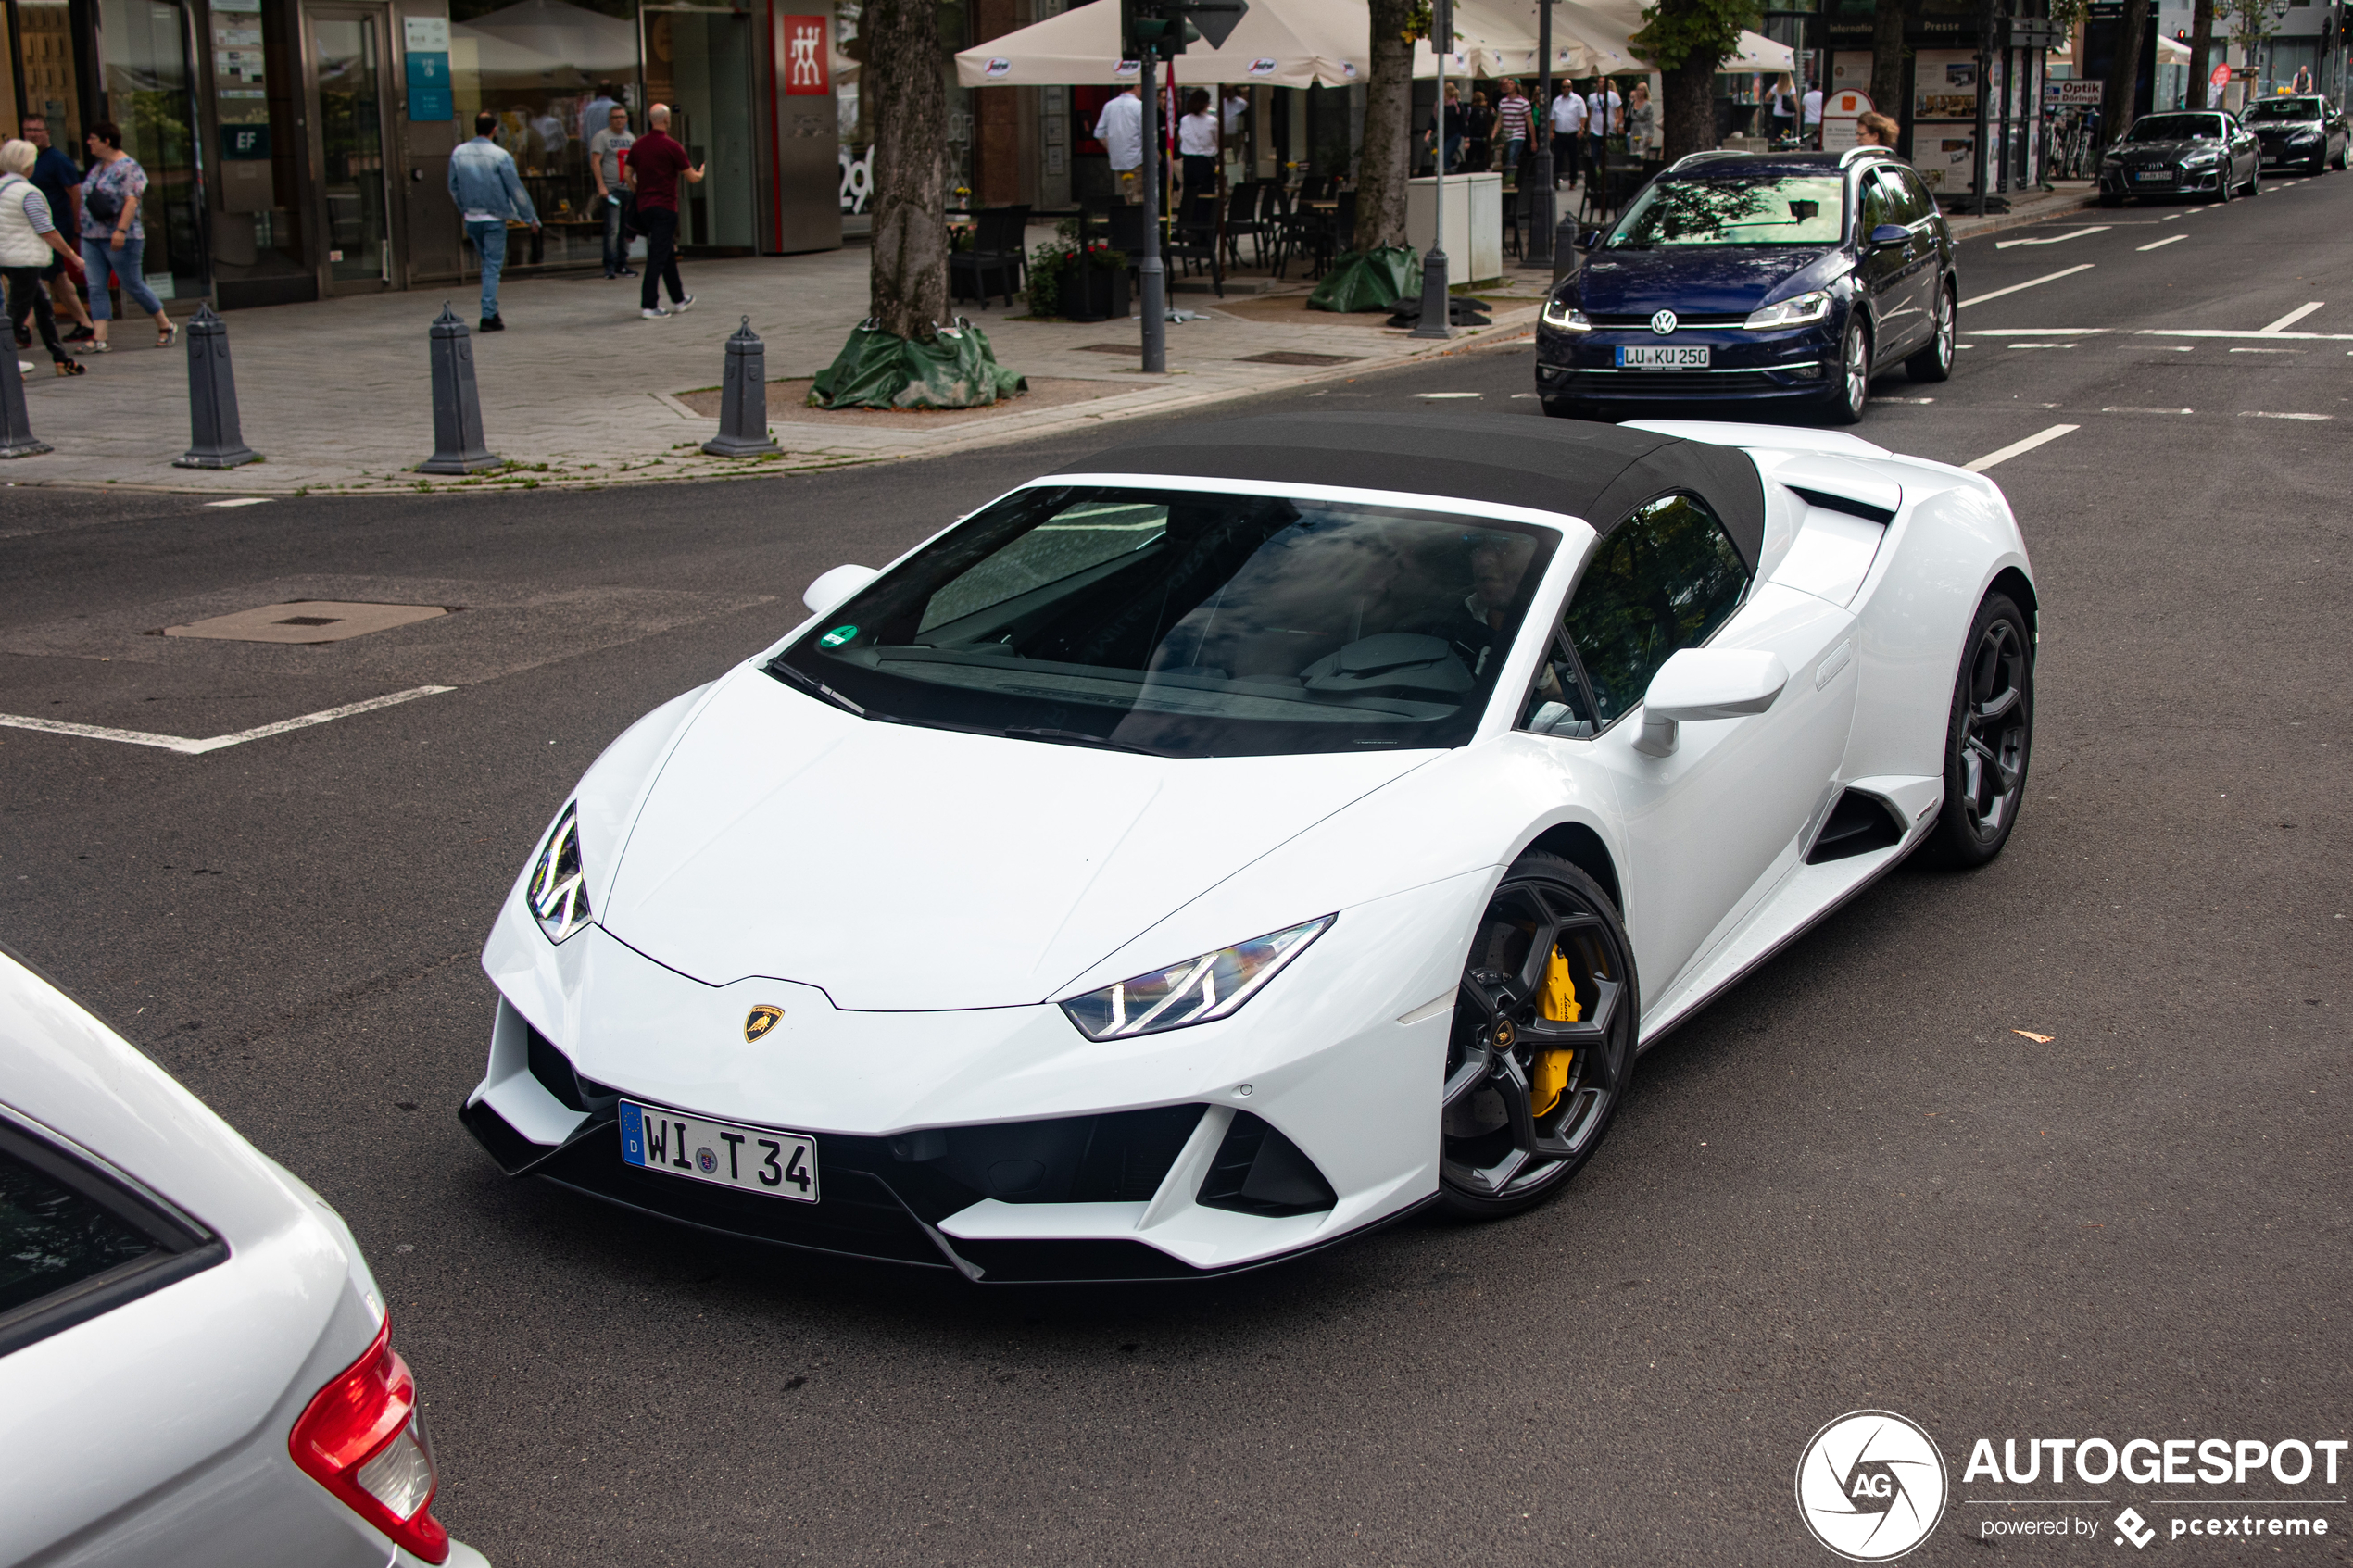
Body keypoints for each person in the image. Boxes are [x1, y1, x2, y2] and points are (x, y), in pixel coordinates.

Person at [78, 121, 176, 351]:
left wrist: (120, 231)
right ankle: (100, 337)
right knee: (95, 286)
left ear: (106, 141)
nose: (88, 143)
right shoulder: (99, 166)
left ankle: (165, 324)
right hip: (91, 235)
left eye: (92, 138)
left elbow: (132, 200)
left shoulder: (129, 167)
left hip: (122, 236)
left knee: (132, 283)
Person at [447, 111, 538, 332]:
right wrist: (530, 217)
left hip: (472, 218)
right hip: (494, 218)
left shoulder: (459, 153)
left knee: (487, 264)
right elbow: (515, 189)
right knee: (491, 267)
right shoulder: (500, 155)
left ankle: (493, 311)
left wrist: (465, 209)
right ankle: (488, 315)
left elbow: (453, 186)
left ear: (475, 127)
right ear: (495, 130)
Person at [0, 140, 86, 376]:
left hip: (7, 258)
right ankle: (6, 364)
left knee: (44, 308)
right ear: (28, 164)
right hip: (24, 260)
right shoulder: (28, 192)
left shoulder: (2, 187)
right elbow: (46, 230)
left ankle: (61, 358)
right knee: (15, 316)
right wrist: (73, 256)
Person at [19, 115, 94, 345]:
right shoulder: (28, 161)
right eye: (28, 130)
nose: (32, 134)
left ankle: (22, 330)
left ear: (48, 132)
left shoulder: (57, 160)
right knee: (58, 279)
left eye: (37, 130)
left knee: (39, 280)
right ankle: (85, 324)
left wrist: (76, 223)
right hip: (37, 228)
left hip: (55, 227)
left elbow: (75, 192)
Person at [627, 103, 701, 320]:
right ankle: (649, 305)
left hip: (645, 207)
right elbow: (691, 177)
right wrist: (701, 172)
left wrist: (639, 192)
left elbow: (627, 174)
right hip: (665, 207)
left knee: (665, 251)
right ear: (667, 120)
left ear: (651, 120)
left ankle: (679, 298)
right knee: (658, 256)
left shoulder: (639, 145)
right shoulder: (672, 146)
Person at [588, 103, 636, 279]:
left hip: (628, 188)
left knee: (626, 228)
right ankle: (609, 265)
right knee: (612, 229)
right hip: (611, 190)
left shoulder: (631, 138)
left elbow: (634, 163)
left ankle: (622, 264)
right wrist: (601, 186)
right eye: (615, 117)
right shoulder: (602, 137)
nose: (619, 120)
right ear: (610, 119)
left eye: (622, 117)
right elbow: (595, 162)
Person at [1095, 84, 1144, 204]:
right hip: (1136, 159)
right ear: (1137, 86)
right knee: (1138, 198)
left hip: (1118, 160)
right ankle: (1136, 220)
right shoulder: (1139, 106)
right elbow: (1146, 134)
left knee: (1127, 194)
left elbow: (1099, 133)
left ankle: (1129, 218)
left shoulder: (1109, 105)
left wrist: (1112, 148)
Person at [1177, 89, 1219, 200]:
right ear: (1206, 104)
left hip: (1189, 161)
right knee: (1206, 194)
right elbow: (1217, 140)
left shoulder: (1185, 120)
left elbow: (1182, 137)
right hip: (1206, 160)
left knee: (1190, 193)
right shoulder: (1212, 121)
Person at [1495, 79, 1532, 177]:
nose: (1508, 86)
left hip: (1518, 135)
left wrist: (1534, 140)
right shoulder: (1503, 102)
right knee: (1505, 157)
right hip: (1506, 135)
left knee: (1512, 155)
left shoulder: (1523, 103)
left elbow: (1529, 122)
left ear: (1516, 86)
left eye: (1511, 84)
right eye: (1507, 84)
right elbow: (1499, 121)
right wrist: (1493, 135)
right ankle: (1510, 176)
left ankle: (1510, 178)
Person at [1552, 83, 1586, 187]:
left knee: (1573, 158)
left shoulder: (1578, 100)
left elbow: (1583, 115)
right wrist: (1551, 131)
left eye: (1568, 87)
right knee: (1558, 158)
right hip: (1559, 133)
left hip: (1573, 133)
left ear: (1571, 88)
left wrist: (1581, 129)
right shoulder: (1557, 101)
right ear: (1561, 88)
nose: (1566, 89)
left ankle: (1573, 181)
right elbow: (1553, 117)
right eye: (1564, 87)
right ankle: (1556, 180)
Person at [1624, 81, 1655, 157]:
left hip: (1643, 129)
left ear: (1645, 91)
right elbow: (1628, 116)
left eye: (1641, 90)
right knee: (1633, 150)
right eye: (1638, 89)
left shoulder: (1648, 105)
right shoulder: (1632, 103)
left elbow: (1651, 120)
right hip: (1634, 129)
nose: (1639, 92)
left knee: (1641, 150)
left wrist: (1650, 135)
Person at [1466, 91, 1495, 173]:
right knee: (1481, 158)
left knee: (1470, 158)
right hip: (1484, 138)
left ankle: (1470, 172)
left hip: (1472, 137)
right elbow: (1492, 123)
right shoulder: (1489, 110)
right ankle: (1480, 172)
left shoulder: (1470, 109)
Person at [1768, 74, 1797, 144]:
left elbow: (1767, 98)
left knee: (1777, 133)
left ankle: (1778, 146)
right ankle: (1785, 147)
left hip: (1777, 113)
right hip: (1788, 114)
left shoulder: (1776, 87)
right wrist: (1797, 115)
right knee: (1786, 133)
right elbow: (1795, 101)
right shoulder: (1791, 88)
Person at [1801, 82, 1824, 146]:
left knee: (1808, 140)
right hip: (1819, 121)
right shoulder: (1822, 96)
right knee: (1820, 140)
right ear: (1819, 87)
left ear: (1811, 87)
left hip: (1808, 121)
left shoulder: (1806, 96)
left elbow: (1803, 109)